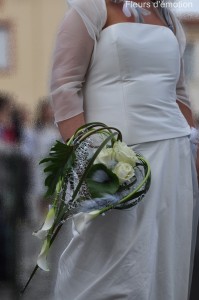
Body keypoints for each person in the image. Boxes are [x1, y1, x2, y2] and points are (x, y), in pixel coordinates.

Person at [49, 0, 199, 299]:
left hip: (174, 159)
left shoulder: (168, 18)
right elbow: (65, 86)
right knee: (108, 267)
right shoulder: (91, 9)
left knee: (165, 262)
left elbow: (179, 93)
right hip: (116, 162)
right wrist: (88, 158)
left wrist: (193, 151)